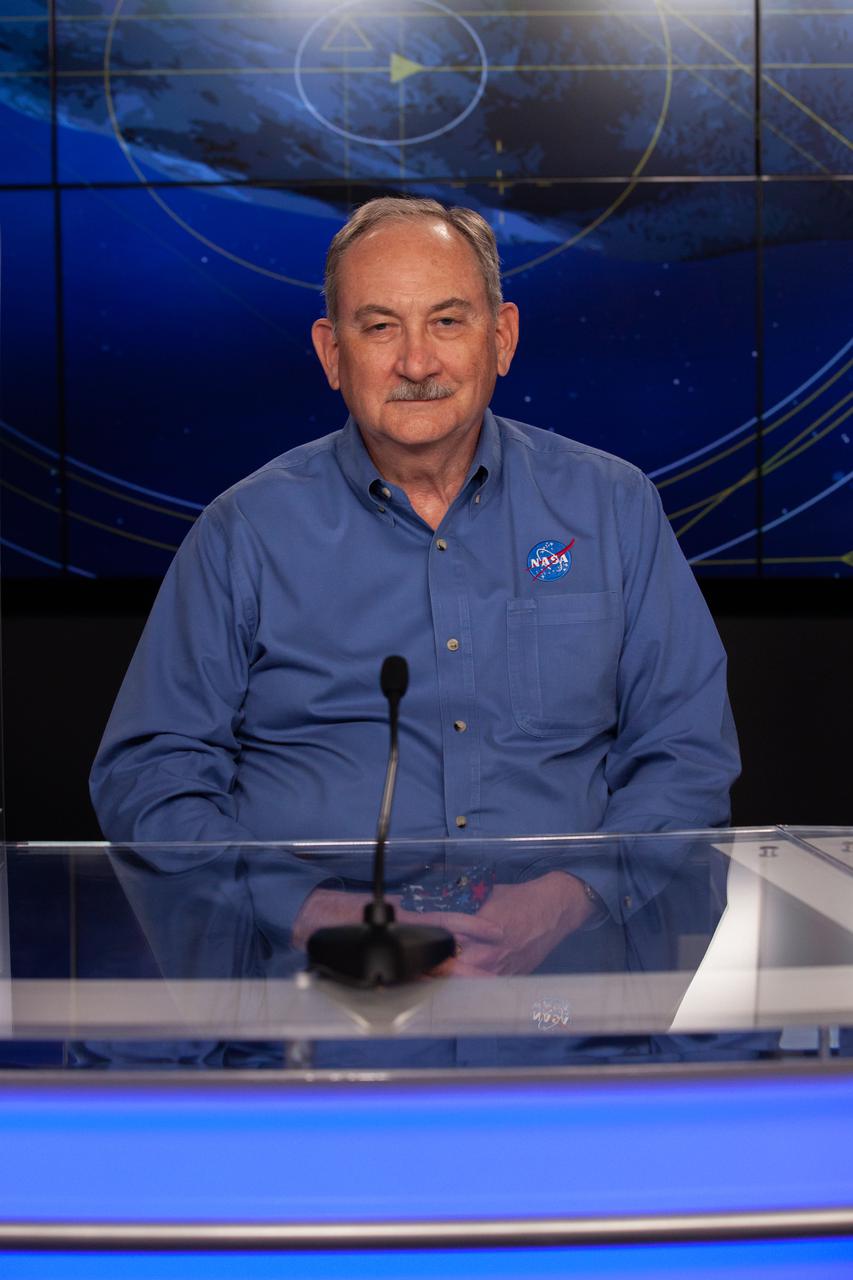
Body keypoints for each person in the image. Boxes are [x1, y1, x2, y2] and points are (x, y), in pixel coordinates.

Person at [90, 197, 740, 976]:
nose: (417, 363)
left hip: (564, 989)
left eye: (446, 321)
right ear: (331, 354)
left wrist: (566, 899)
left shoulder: (612, 506)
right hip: (317, 1002)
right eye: (378, 327)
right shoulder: (243, 531)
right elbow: (148, 772)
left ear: (500, 338)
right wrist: (303, 911)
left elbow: (686, 752)